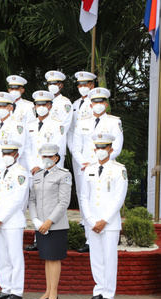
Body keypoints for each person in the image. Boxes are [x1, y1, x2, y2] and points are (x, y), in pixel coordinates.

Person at [71, 87, 123, 254]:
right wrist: (84, 163)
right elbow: (76, 148)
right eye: (94, 102)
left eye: (101, 102)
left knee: (106, 199)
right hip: (85, 168)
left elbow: (117, 148)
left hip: (106, 169)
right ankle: (89, 238)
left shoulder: (114, 122)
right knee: (86, 201)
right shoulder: (82, 122)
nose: (98, 104)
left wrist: (96, 162)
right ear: (90, 104)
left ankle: (107, 233)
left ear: (106, 104)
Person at [80, 134, 127, 299]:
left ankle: (108, 294)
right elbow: (84, 197)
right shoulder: (90, 169)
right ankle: (98, 292)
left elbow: (118, 198)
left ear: (110, 149)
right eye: (98, 148)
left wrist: (104, 220)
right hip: (93, 222)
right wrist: (91, 220)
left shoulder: (118, 169)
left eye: (104, 148)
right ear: (94, 150)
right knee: (96, 259)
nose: (100, 151)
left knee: (109, 259)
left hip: (109, 223)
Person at [24, 90, 68, 252]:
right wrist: (32, 166)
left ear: (49, 106)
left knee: (47, 203)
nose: (40, 107)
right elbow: (27, 149)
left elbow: (58, 150)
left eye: (43, 104)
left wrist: (42, 168)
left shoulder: (58, 124)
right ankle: (37, 235)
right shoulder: (29, 125)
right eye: (37, 105)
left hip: (48, 170)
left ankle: (42, 237)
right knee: (34, 202)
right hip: (33, 170)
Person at [28, 143, 72, 299]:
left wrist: (49, 221)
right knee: (46, 259)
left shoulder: (63, 175)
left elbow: (63, 202)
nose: (46, 159)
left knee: (54, 259)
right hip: (40, 224)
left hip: (56, 224)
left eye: (50, 157)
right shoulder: (38, 175)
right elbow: (31, 200)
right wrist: (35, 220)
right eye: (44, 156)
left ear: (56, 158)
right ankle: (47, 290)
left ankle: (54, 292)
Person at [0, 92, 27, 250]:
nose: (0, 109)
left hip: (7, 171)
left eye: (3, 106)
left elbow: (18, 151)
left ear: (10, 107)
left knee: (10, 202)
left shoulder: (18, 126)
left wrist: (0, 170)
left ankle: (11, 235)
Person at [0, 139, 28, 299]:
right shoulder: (2, 171)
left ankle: (17, 291)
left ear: (16, 155)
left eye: (9, 153)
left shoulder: (20, 173)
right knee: (2, 257)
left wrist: (1, 218)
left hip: (12, 221)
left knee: (15, 257)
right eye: (4, 153)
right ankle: (5, 288)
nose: (6, 156)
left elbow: (17, 200)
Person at [67, 71, 96, 253]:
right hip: (80, 158)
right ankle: (86, 227)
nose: (82, 87)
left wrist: (93, 159)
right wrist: (76, 154)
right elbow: (71, 132)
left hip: (95, 157)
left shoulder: (97, 103)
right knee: (82, 192)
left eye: (86, 84)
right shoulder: (75, 105)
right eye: (79, 85)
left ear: (92, 85)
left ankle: (93, 232)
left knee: (94, 194)